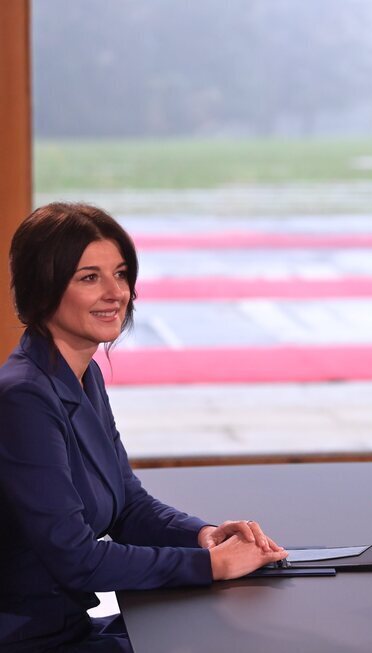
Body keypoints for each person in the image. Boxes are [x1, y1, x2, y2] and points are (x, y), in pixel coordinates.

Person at [0, 203, 288, 652]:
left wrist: (202, 536)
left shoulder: (81, 373)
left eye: (121, 273)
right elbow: (78, 560)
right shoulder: (23, 398)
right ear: (43, 289)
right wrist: (210, 566)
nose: (117, 293)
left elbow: (128, 505)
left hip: (68, 627)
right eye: (89, 277)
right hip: (33, 640)